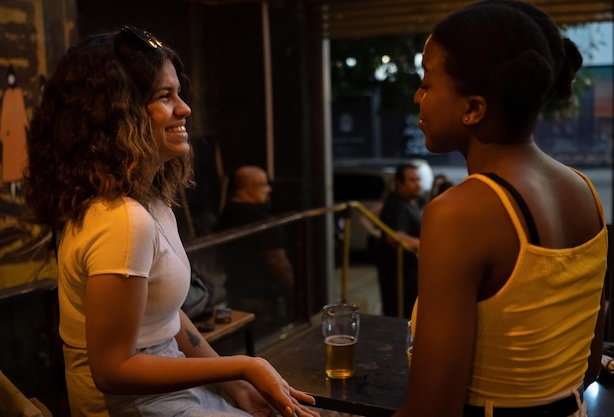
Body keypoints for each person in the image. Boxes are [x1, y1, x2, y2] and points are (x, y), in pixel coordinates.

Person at [24, 26, 318, 417]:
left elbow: (161, 317)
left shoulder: (150, 201)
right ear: (116, 113)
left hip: (167, 389)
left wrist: (236, 387)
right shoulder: (122, 220)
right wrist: (245, 365)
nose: (185, 109)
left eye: (179, 93)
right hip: (133, 405)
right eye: (165, 96)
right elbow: (112, 371)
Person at [394, 1, 607, 417]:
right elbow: (590, 363)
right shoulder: (585, 191)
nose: (418, 96)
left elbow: (432, 410)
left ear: (473, 108)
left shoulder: (459, 214)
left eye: (426, 82)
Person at [214, 166, 295, 329]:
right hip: (260, 298)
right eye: (264, 185)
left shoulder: (226, 214)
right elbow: (277, 263)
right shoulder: (262, 222)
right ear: (250, 188)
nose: (269, 190)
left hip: (234, 293)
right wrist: (292, 294)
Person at [376, 163, 423, 318]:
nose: (417, 184)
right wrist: (423, 244)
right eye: (412, 180)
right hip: (399, 280)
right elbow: (393, 237)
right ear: (399, 184)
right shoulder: (395, 204)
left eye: (418, 179)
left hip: (409, 276)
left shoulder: (409, 202)